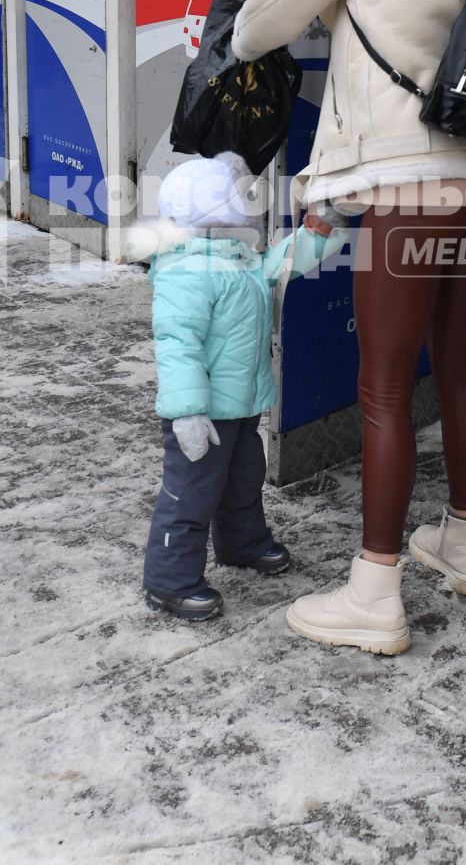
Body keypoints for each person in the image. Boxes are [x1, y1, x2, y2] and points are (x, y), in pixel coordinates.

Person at [230, 0, 466, 655]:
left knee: (385, 390)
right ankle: (459, 545)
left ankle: (374, 591)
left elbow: (255, 30)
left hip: (409, 191)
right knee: (457, 365)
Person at [133, 153, 346, 621]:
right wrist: (187, 412)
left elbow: (281, 262)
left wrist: (320, 231)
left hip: (243, 406)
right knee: (191, 494)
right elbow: (177, 344)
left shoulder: (238, 259)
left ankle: (243, 543)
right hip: (203, 415)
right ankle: (169, 580)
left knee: (244, 480)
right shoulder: (185, 271)